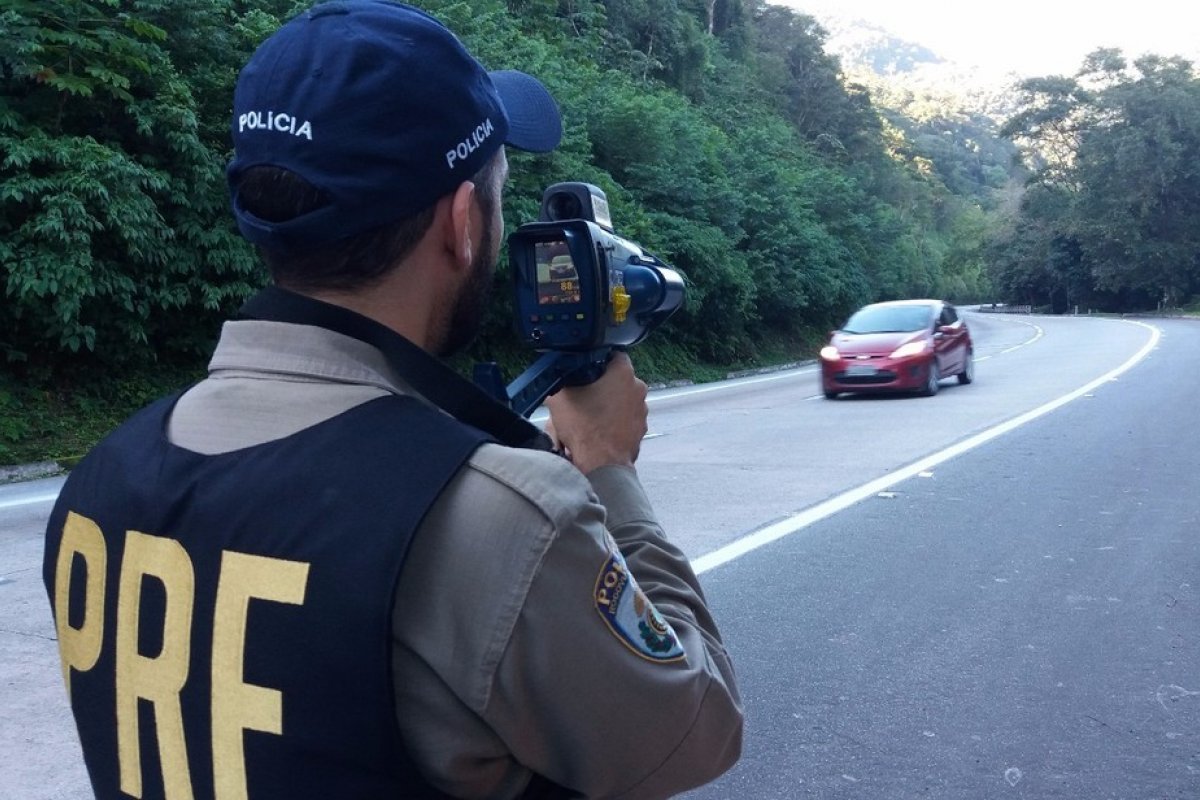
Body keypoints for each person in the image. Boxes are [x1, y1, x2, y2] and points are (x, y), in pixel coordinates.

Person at [42, 2, 743, 798]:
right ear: (462, 224)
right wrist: (610, 469)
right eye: (497, 193)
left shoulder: (101, 480)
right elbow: (693, 732)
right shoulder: (494, 517)